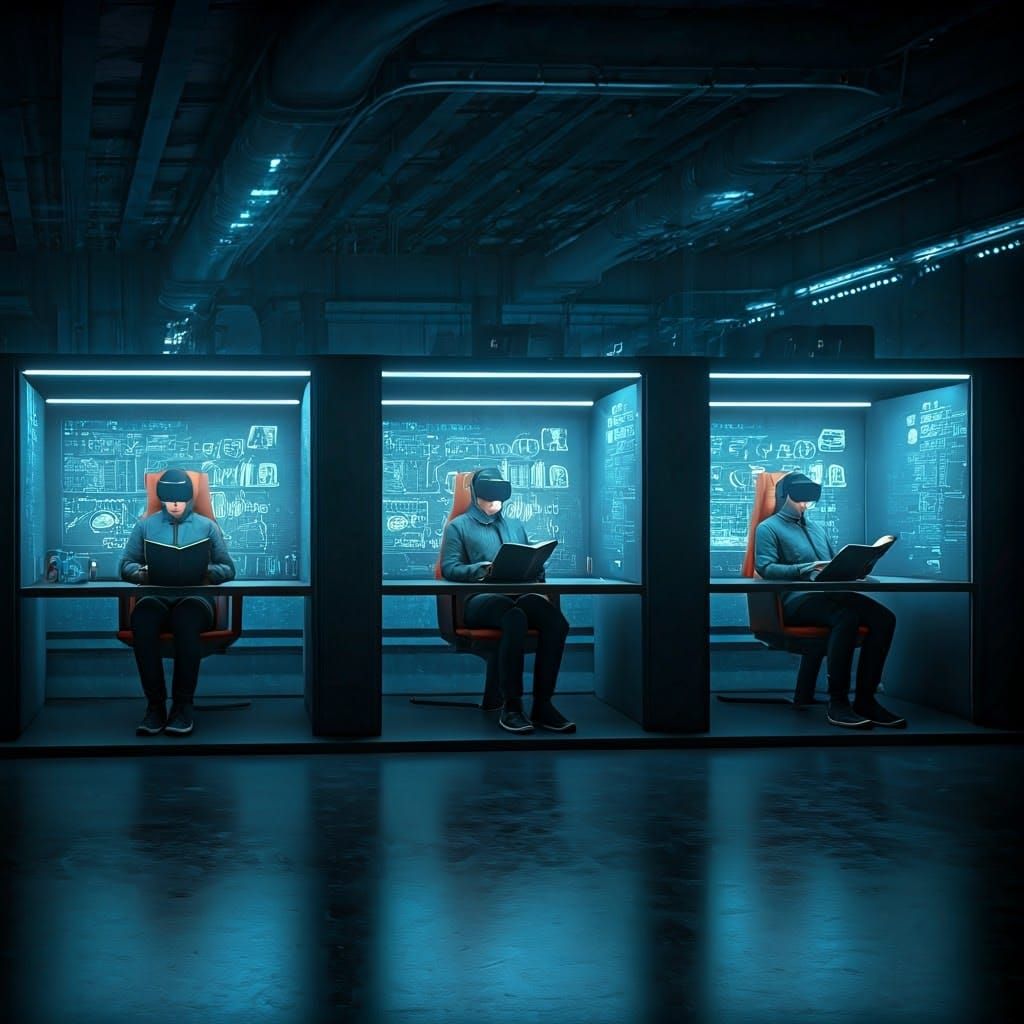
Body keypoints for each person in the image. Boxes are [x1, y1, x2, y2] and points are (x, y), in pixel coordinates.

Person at [755, 472, 904, 730]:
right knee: (845, 617)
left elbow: (834, 562)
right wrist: (804, 568)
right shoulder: (768, 528)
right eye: (800, 498)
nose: (805, 504)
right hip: (798, 601)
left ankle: (865, 700)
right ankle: (838, 702)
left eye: (808, 499)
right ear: (785, 495)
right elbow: (766, 568)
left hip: (831, 594)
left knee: (884, 618)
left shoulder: (817, 528)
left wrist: (860, 566)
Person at [440, 467, 573, 735]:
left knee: (555, 622)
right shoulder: (459, 527)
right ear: (476, 496)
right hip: (480, 600)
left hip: (519, 595)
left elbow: (524, 557)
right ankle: (512, 706)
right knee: (514, 617)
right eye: (488, 500)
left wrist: (536, 566)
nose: (493, 505)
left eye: (498, 501)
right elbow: (449, 568)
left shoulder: (515, 525)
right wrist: (482, 569)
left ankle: (543, 705)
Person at [119, 468, 236, 737]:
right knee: (142, 618)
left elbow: (228, 568)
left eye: (180, 499)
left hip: (195, 599)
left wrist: (208, 572)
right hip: (156, 596)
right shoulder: (145, 526)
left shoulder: (207, 527)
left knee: (186, 621)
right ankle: (155, 707)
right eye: (169, 499)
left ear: (189, 499)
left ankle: (183, 707)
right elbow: (125, 565)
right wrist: (143, 573)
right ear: (161, 499)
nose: (174, 505)